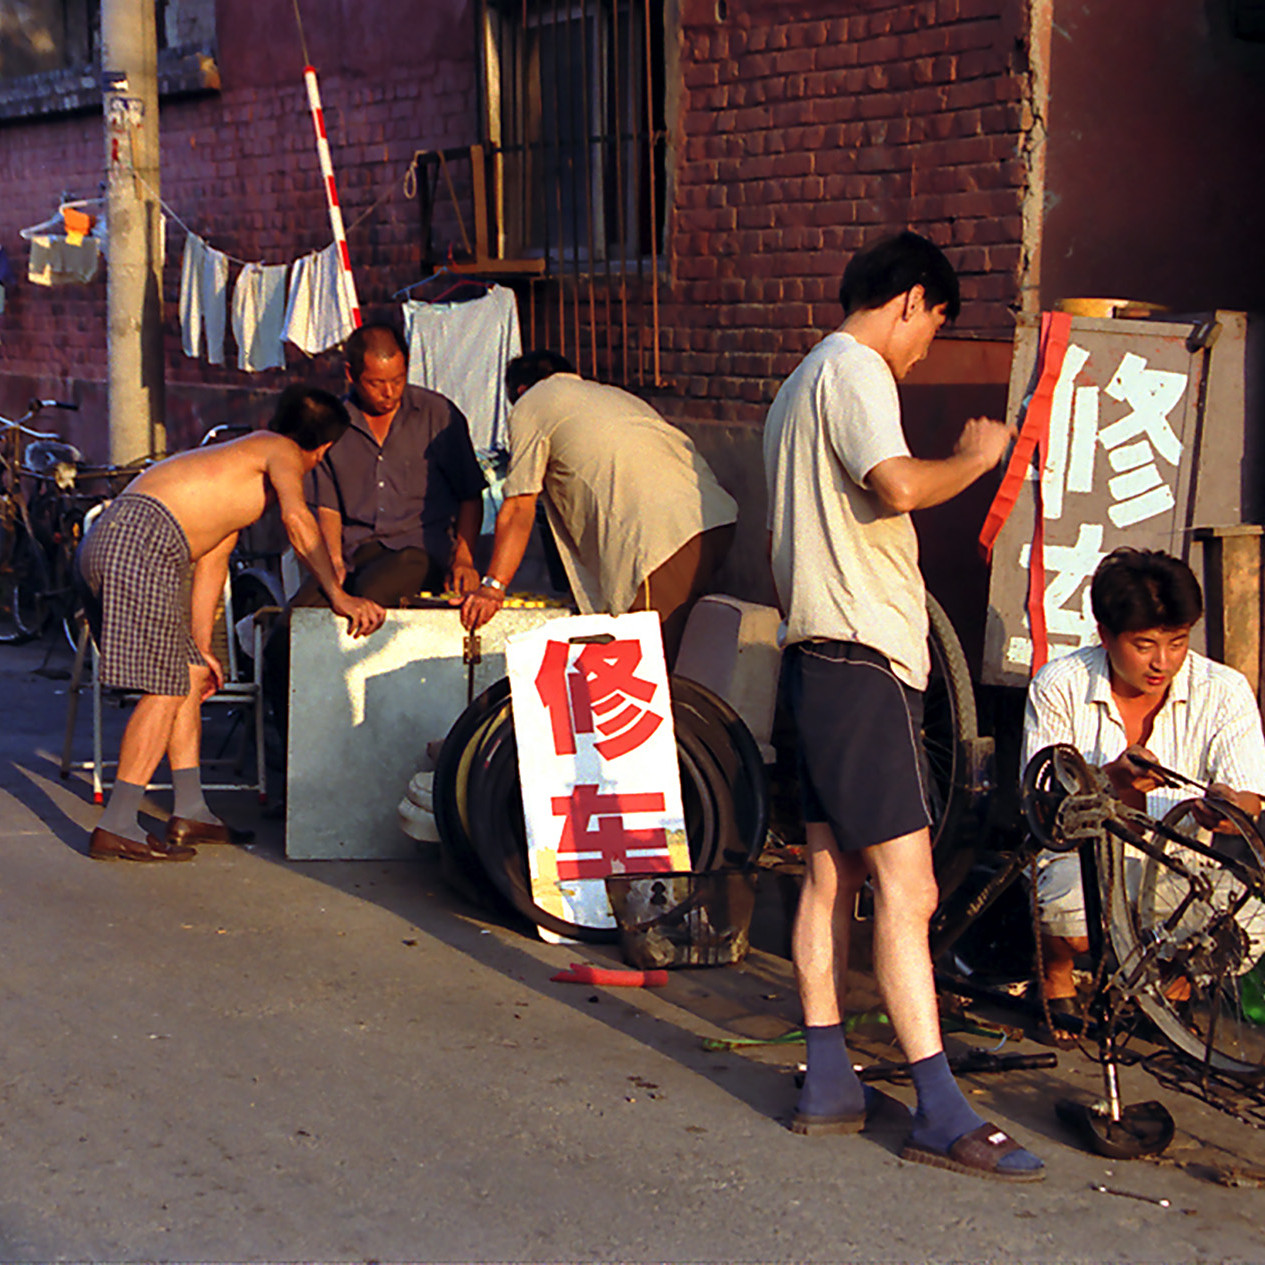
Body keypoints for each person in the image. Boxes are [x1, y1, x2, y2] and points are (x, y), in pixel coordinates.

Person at [763, 230, 1043, 1180]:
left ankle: (830, 1081)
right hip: (862, 658)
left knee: (830, 873)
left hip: (814, 655)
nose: (926, 349)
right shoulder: (855, 370)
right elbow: (897, 484)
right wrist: (974, 457)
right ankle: (938, 1106)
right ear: (912, 299)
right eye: (934, 326)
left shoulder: (796, 385)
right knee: (908, 886)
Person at [78, 385, 386, 863]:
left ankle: (190, 811)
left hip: (118, 540)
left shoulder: (237, 465)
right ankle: (116, 824)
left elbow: (212, 562)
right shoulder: (280, 451)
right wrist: (338, 594)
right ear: (323, 448)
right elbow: (298, 521)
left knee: (185, 675)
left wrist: (203, 647)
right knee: (162, 690)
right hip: (140, 544)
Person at [1022, 547, 1265, 1014]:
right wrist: (1112, 778)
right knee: (1072, 917)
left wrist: (1228, 808)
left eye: (1177, 642)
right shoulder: (1060, 685)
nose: (1163, 662)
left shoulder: (1224, 690)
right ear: (1105, 635)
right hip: (1082, 861)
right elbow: (1042, 807)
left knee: (1251, 925)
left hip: (1179, 866)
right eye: (1144, 645)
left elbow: (1249, 799)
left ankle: (1172, 987)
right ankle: (1055, 974)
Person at [458, 351, 737, 665]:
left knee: (640, 664)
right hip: (714, 521)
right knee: (676, 657)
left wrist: (493, 586)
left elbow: (519, 506)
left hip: (660, 541)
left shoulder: (533, 402)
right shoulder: (608, 395)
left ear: (520, 391)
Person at [296, 322, 487, 606]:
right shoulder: (332, 425)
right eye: (376, 383)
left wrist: (464, 559)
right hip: (355, 555)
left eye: (398, 380)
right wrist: (333, 561)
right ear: (351, 374)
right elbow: (328, 506)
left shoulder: (437, 415)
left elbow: (469, 494)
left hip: (420, 555)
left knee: (373, 592)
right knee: (301, 614)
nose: (389, 392)